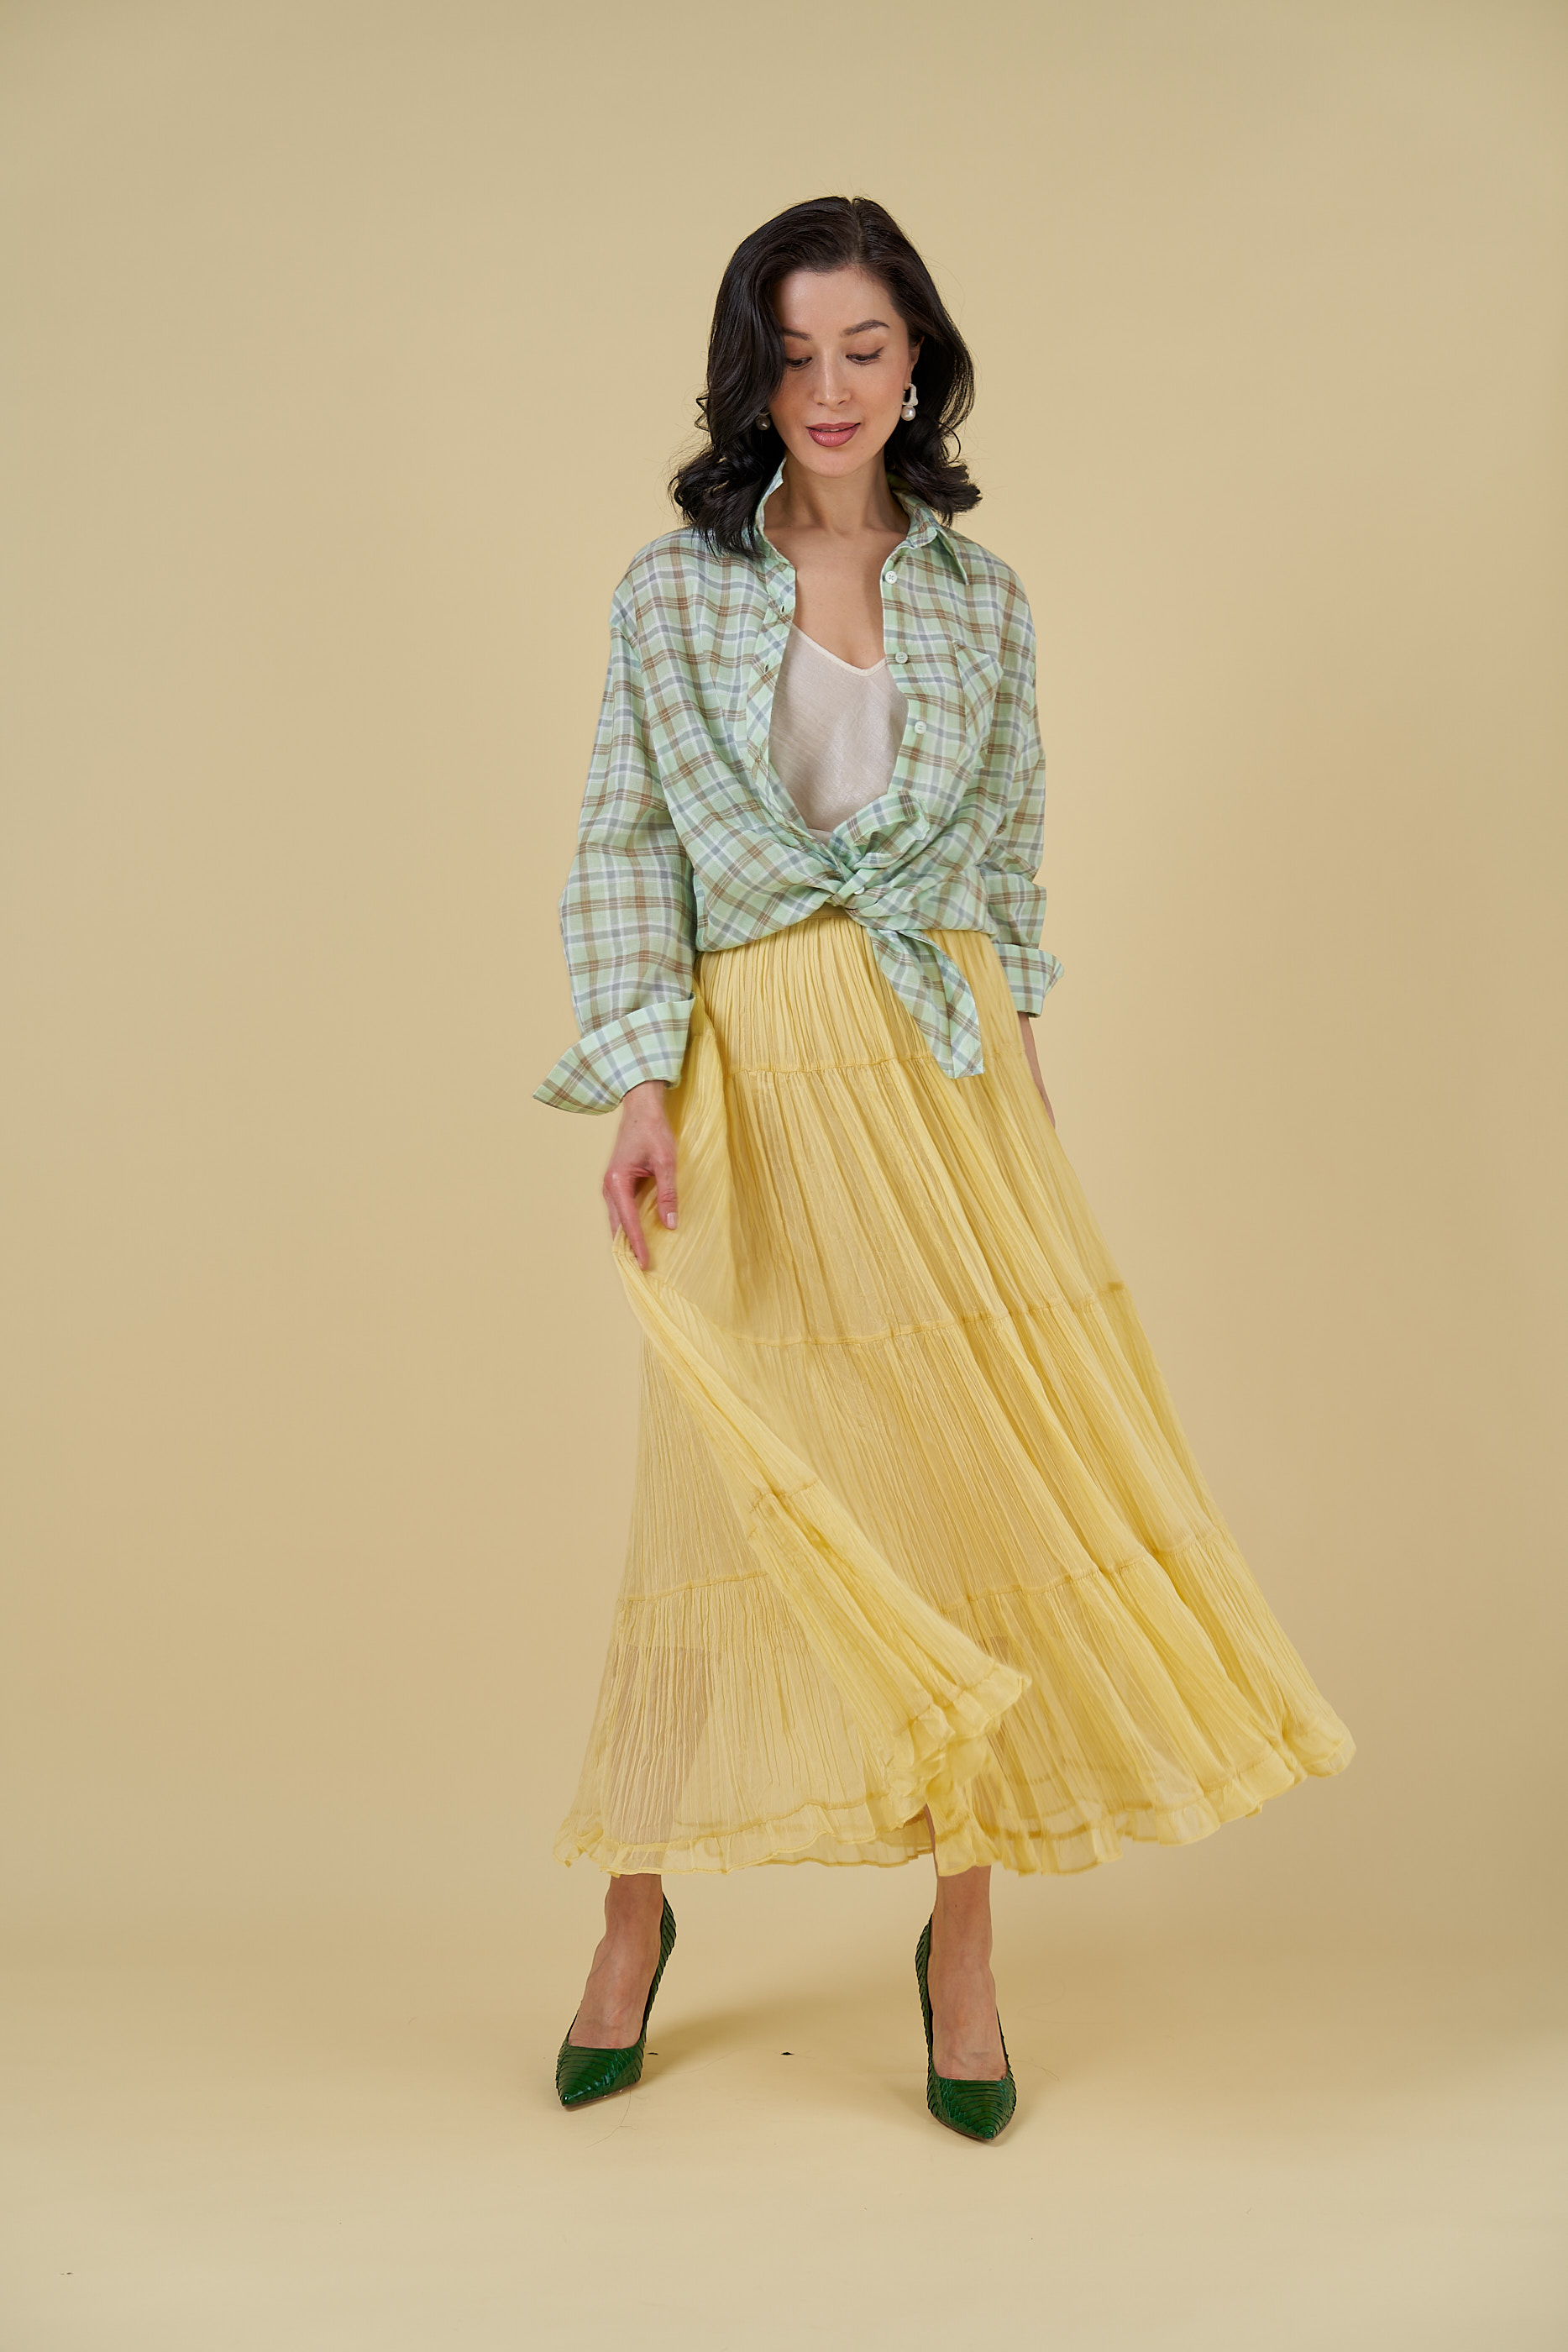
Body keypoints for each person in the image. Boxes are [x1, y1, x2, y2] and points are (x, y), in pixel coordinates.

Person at [534, 195, 1353, 2140]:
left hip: (944, 1064)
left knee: (963, 1497)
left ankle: (963, 1941)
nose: (830, 387)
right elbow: (624, 841)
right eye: (794, 353)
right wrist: (640, 1081)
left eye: (865, 346)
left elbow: (1004, 872)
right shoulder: (672, 588)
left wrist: (1026, 1122)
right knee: (718, 1496)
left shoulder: (985, 599)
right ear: (752, 374)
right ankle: (635, 1908)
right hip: (755, 1071)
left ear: (918, 362)